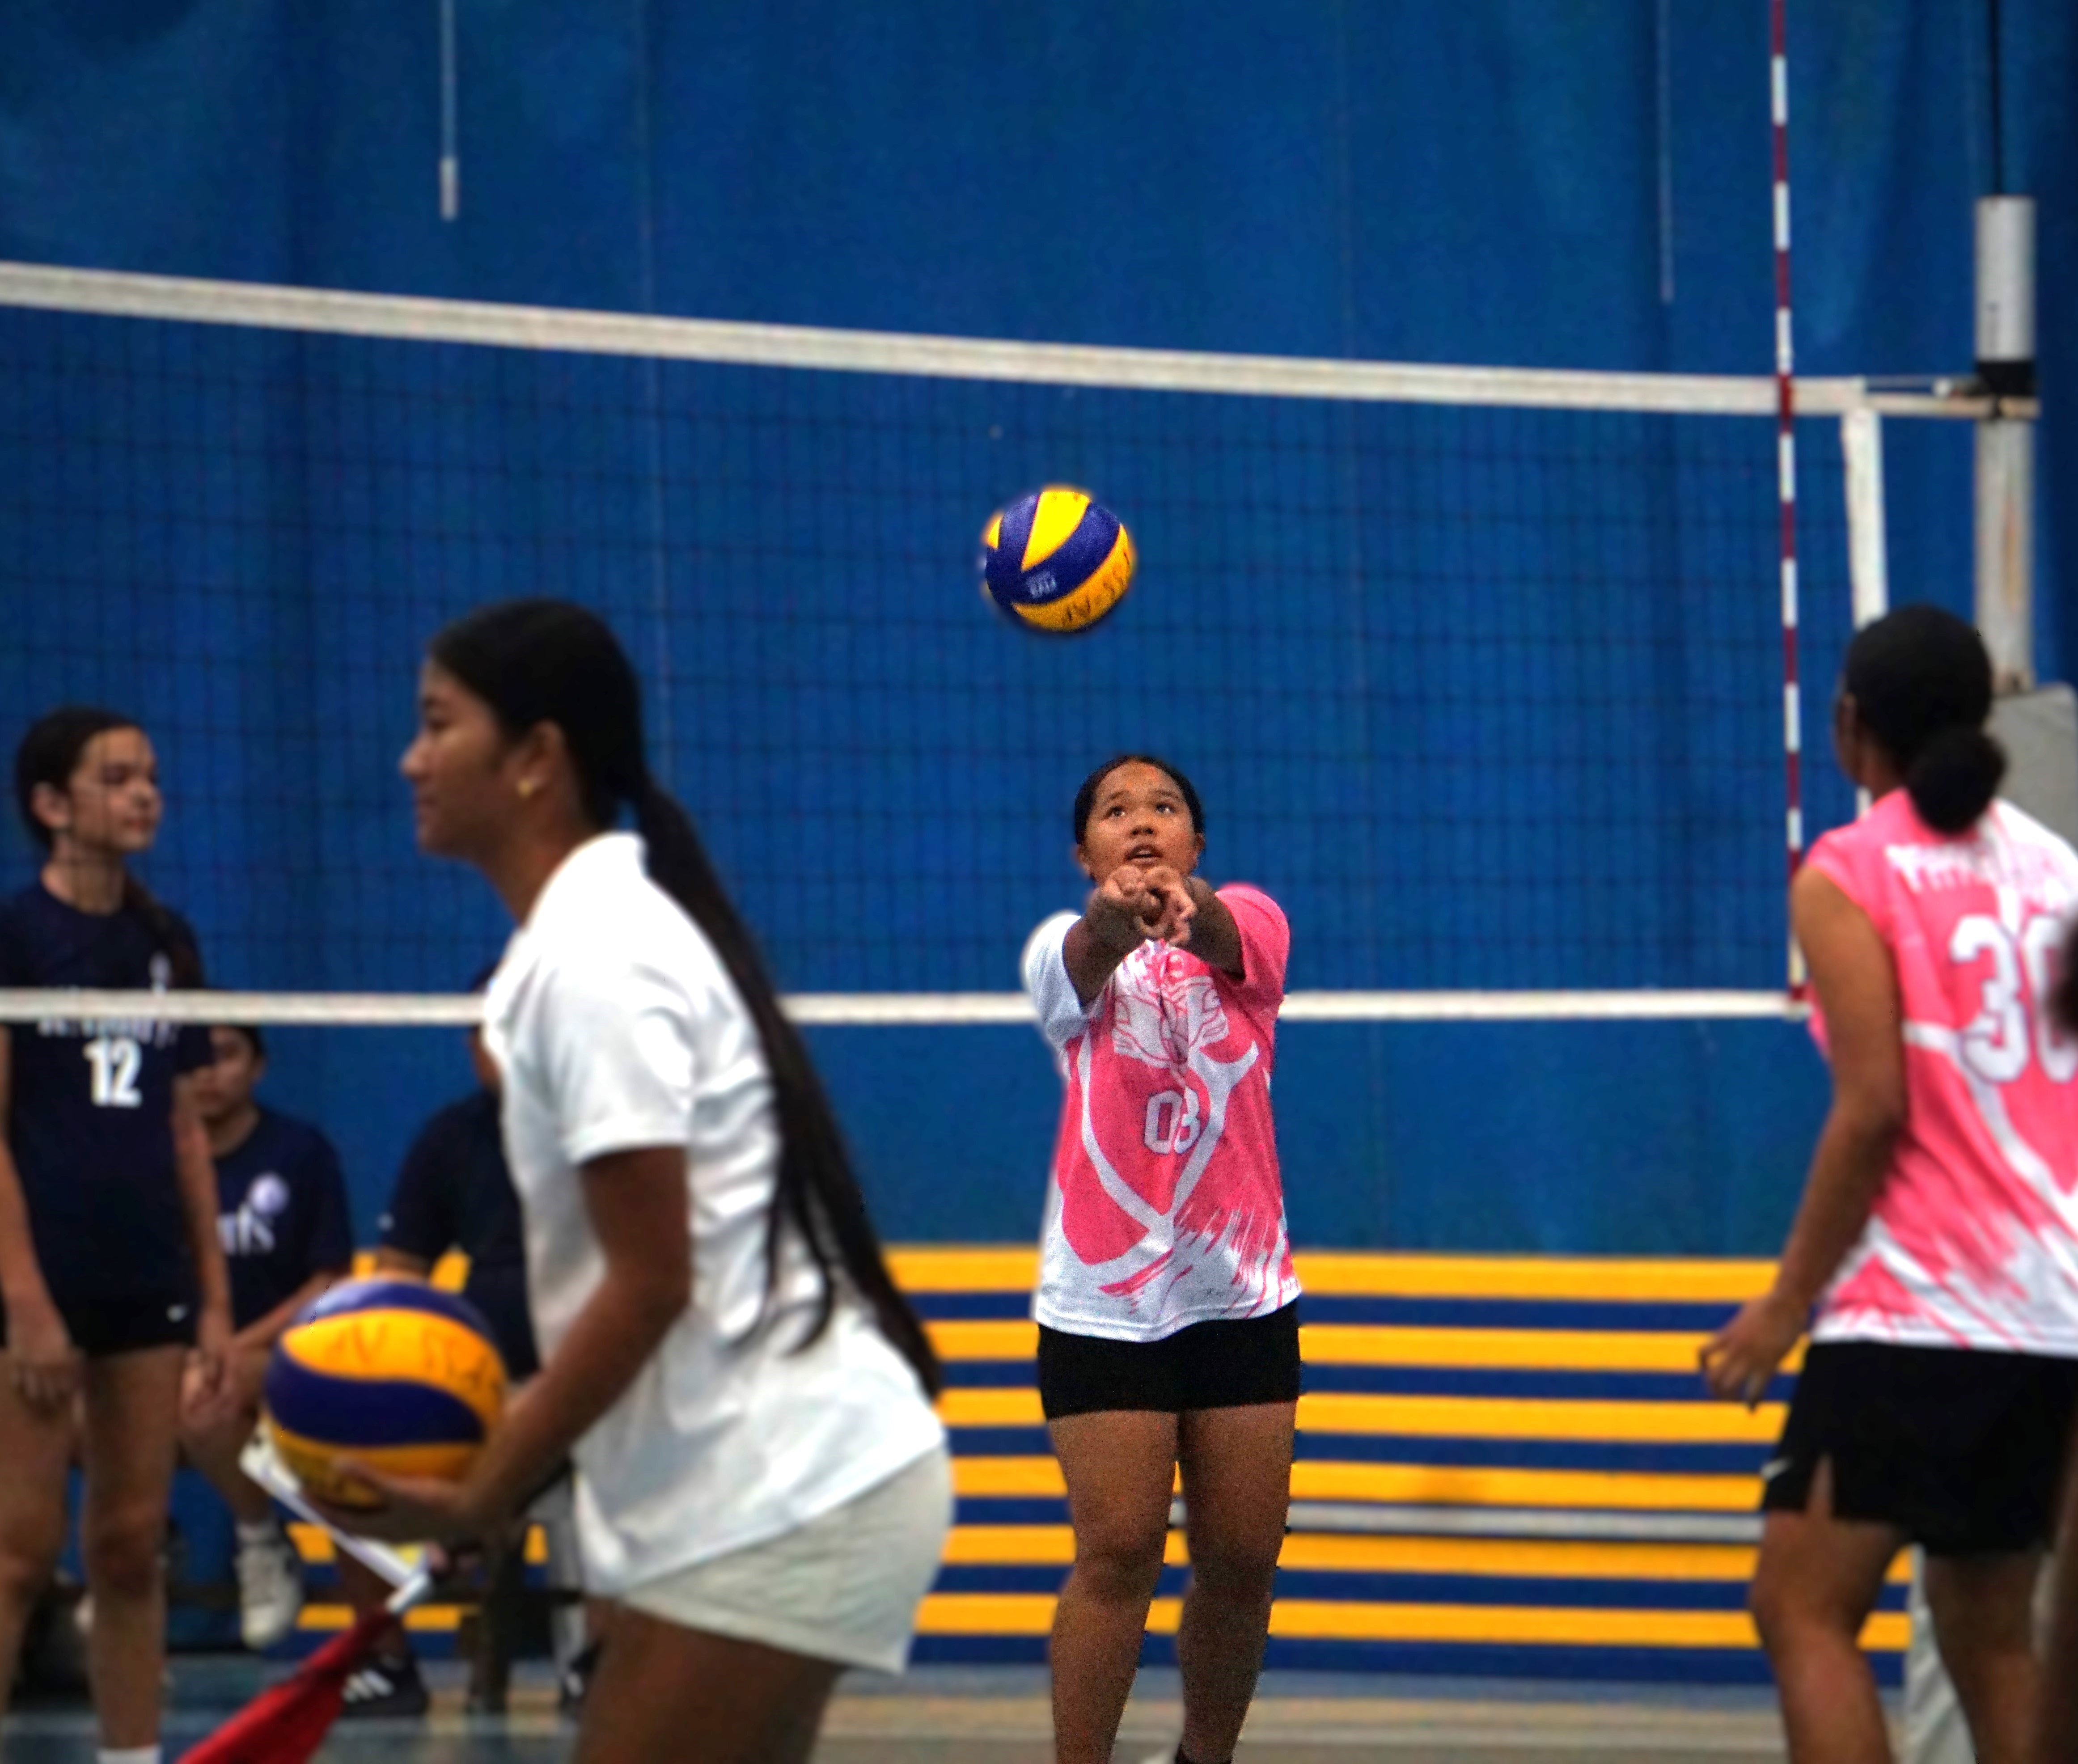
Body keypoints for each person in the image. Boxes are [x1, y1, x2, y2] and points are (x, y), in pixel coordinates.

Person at [318, 598, 951, 1764]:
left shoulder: (595, 957)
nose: (410, 757)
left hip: (788, 1488)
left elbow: (654, 1277)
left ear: (535, 761)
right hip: (747, 1491)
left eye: (436, 723)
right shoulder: (572, 948)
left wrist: (486, 1489)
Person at [1701, 605, 2078, 1764]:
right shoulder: (2058, 866)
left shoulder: (1850, 868)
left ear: (1853, 724)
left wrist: (1784, 1303)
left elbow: (1873, 1110)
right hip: (2050, 1312)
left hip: (1919, 1307)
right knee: (1991, 1633)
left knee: (1800, 1607)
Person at [1020, 753, 1299, 1764]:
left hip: (1241, 1294)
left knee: (1238, 1560)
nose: (1141, 823)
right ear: (1083, 850)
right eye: (1115, 811)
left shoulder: (1249, 925)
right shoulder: (1060, 947)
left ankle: (1201, 1760)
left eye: (1164, 809)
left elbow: (1232, 935)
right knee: (1120, 1551)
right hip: (1104, 1305)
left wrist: (1194, 909)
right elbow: (1085, 960)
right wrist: (1114, 916)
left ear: (1197, 843)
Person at [0, 707, 232, 1764]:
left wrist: (216, 1298)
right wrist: (27, 1300)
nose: (145, 795)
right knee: (15, 1552)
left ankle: (132, 1758)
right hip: (40, 1279)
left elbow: (186, 1124)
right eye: (117, 778)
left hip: (145, 1277)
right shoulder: (14, 936)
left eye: (151, 776)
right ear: (53, 807)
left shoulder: (161, 941)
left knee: (132, 1545)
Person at [331, 998, 544, 1720]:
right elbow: (397, 1279)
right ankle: (385, 1659)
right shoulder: (451, 1137)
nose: (504, 1050)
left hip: (582, 1377)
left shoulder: (594, 1129)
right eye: (489, 1034)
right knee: (333, 1448)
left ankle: (597, 1662)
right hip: (471, 1385)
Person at [178, 1022, 351, 1652]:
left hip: (278, 1357)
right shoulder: (150, 1159)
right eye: (193, 1058)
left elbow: (330, 1279)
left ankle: (261, 1542)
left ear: (258, 1065)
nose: (208, 1072)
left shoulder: (299, 1152)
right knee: (74, 1410)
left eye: (225, 1054)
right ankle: (138, 1543)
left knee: (204, 1392)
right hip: (163, 1355)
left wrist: (234, 1342)